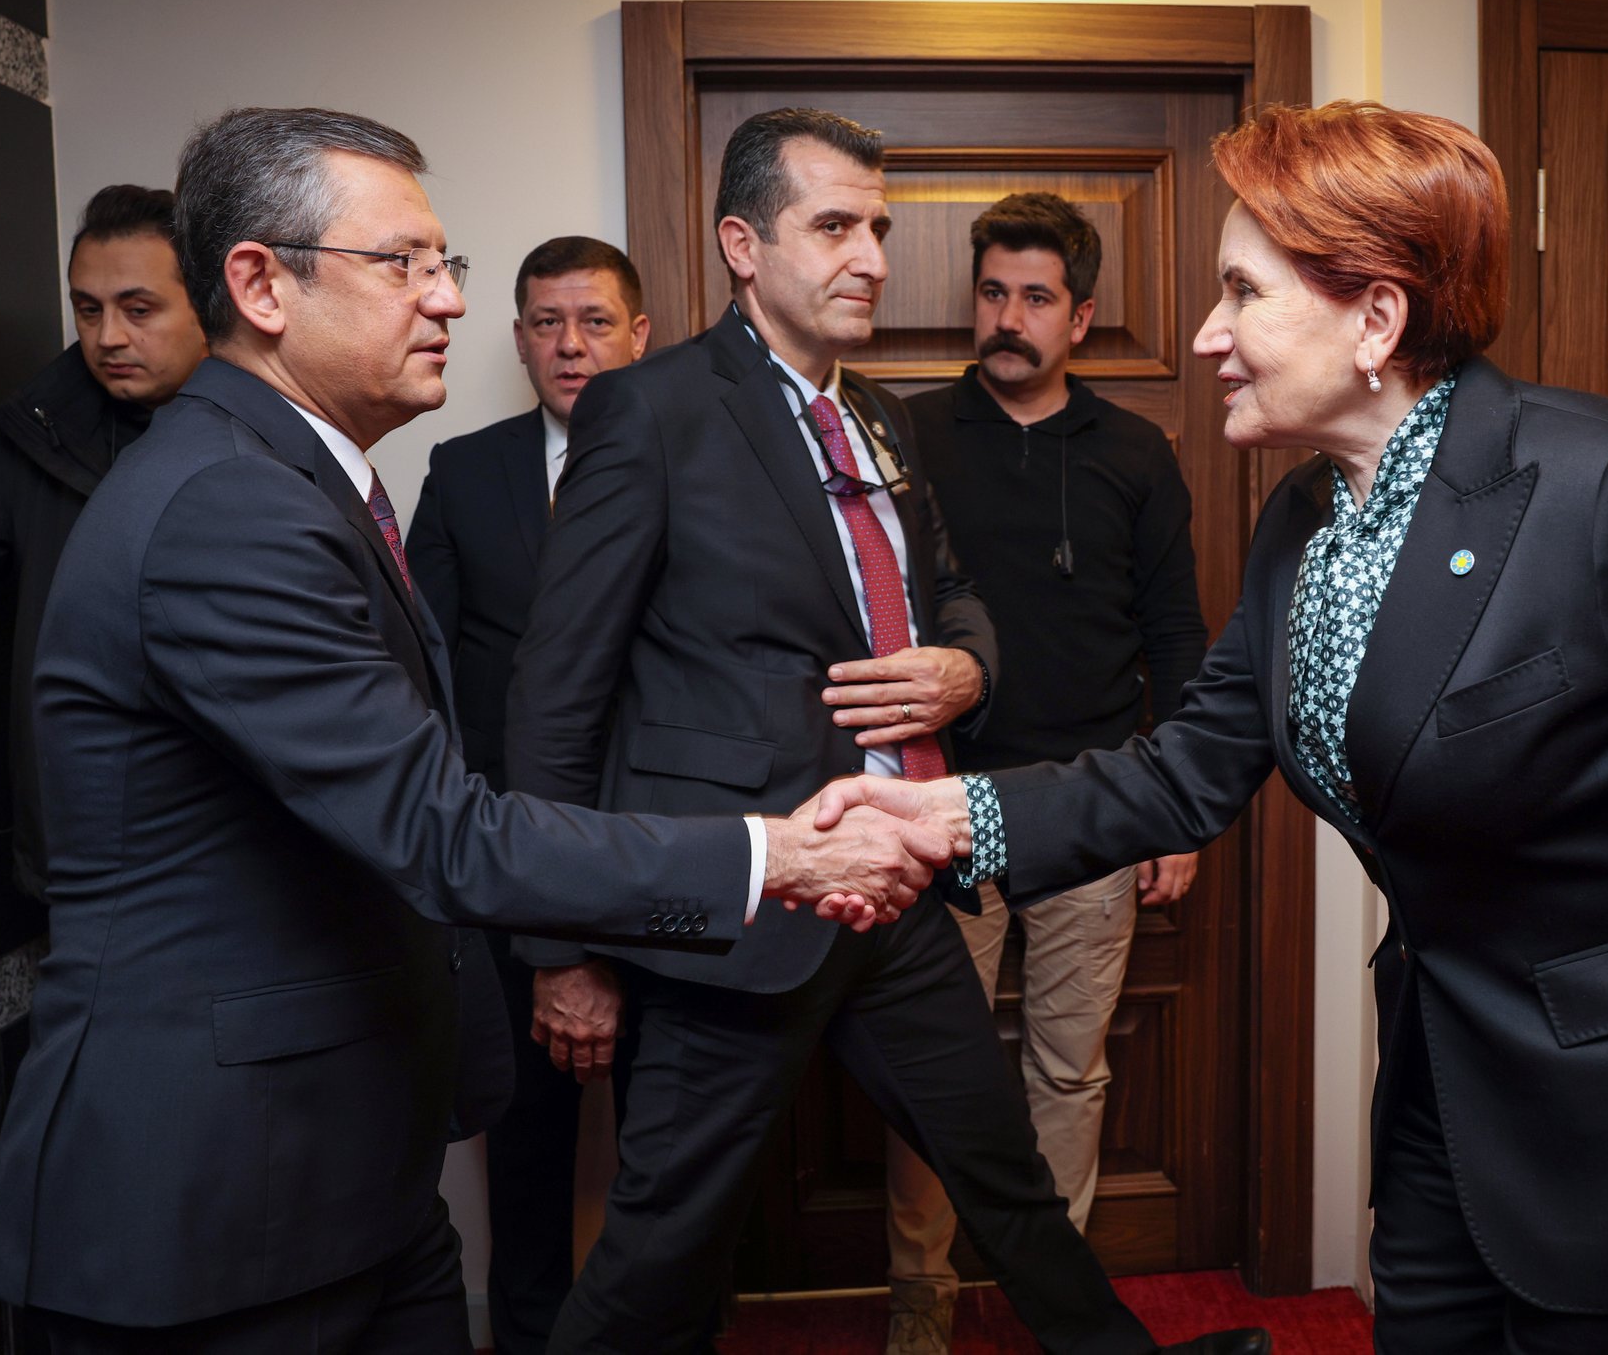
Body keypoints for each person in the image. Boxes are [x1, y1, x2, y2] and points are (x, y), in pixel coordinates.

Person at [815, 100, 1608, 1353]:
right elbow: (1183, 770)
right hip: (1442, 1106)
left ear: (1375, 319)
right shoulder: (1304, 520)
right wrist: (943, 814)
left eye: (1241, 293)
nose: (1206, 336)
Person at [0, 105, 945, 1354]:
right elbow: (443, 830)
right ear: (260, 283)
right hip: (208, 1214)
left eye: (448, 266)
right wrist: (773, 855)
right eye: (405, 264)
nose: (448, 302)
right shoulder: (225, 506)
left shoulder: (297, 479)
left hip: (345, 1171)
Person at [503, 107, 1266, 1355]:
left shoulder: (880, 418)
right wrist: (559, 947)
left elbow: (950, 588)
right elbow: (554, 694)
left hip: (896, 888)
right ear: (742, 245)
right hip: (740, 906)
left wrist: (964, 662)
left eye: (879, 229)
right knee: (658, 1245)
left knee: (1002, 1176)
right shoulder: (646, 414)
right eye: (835, 227)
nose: (870, 257)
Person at [882, 191, 1209, 1354]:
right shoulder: (904, 435)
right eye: (990, 293)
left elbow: (1176, 637)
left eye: (1033, 297)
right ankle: (919, 1296)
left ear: (1081, 314)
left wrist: (1177, 812)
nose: (1006, 318)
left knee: (1069, 1073)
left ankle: (1054, 1307)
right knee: (933, 1076)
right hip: (940, 811)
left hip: (1095, 812)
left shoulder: (1134, 453)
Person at [405, 233, 652, 1355]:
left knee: (673, 1136)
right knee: (527, 1137)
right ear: (516, 339)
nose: (571, 344)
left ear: (638, 334)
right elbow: (422, 669)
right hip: (507, 855)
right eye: (547, 323)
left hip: (665, 850)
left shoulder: (691, 462)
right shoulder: (463, 470)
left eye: (595, 320)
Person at [0, 183, 206, 897]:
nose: (108, 336)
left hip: (241, 862)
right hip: (88, 860)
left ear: (210, 302)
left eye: (138, 310)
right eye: (88, 309)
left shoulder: (279, 431)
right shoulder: (36, 433)